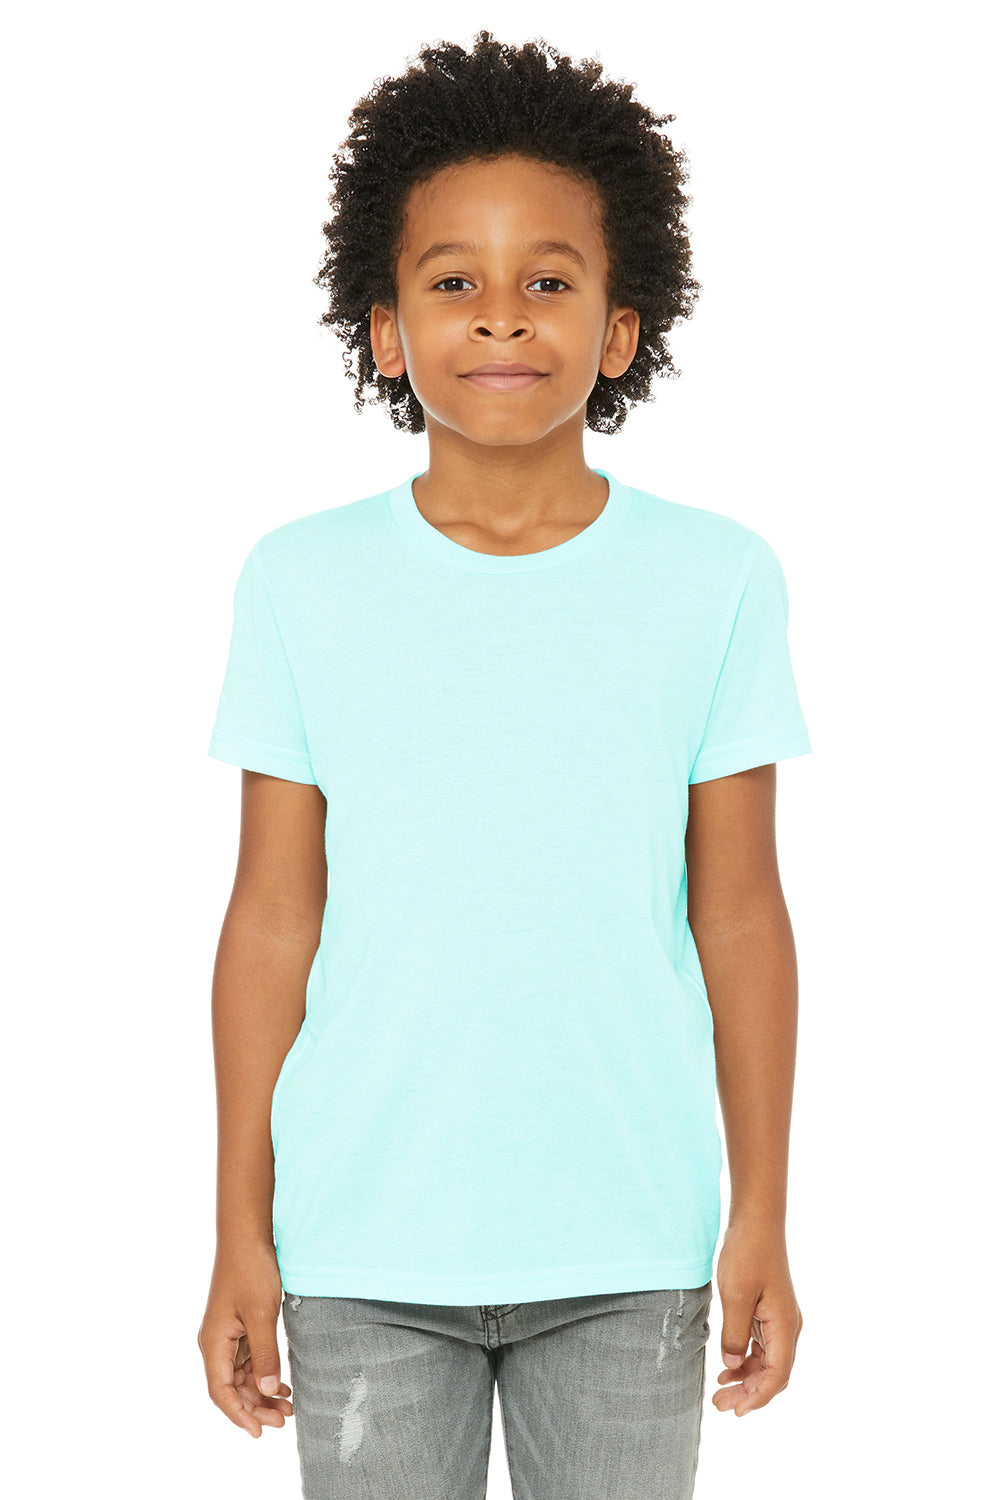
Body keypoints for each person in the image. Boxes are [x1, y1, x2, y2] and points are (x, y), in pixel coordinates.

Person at [197, 30, 811, 1500]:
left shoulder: (717, 578)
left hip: (630, 1240)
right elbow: (273, 919)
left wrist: (763, 1213)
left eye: (547, 281)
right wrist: (238, 1230)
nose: (499, 317)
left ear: (620, 329)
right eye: (451, 282)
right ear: (385, 332)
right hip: (363, 1242)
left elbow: (739, 914)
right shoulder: (300, 581)